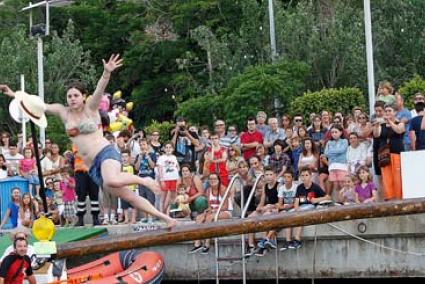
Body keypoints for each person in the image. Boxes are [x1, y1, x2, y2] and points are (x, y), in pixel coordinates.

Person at [1, 54, 176, 228]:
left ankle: (143, 180)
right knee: (128, 196)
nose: (72, 99)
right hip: (92, 167)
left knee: (112, 180)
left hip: (106, 153)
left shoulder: (91, 108)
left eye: (76, 95)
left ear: (84, 96)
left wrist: (106, 73)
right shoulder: (63, 112)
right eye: (69, 96)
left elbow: (100, 89)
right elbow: (38, 105)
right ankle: (166, 219)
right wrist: (14, 95)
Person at [292, 167, 331, 249]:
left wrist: (316, 199)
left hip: (310, 207)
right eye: (302, 175)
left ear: (310, 176)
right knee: (289, 214)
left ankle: (297, 239)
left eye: (306, 175)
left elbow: (328, 197)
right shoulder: (299, 187)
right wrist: (296, 208)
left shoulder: (315, 187)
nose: (304, 177)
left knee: (300, 214)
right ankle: (288, 241)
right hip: (301, 207)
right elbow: (296, 201)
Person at [372, 104, 405, 200]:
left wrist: (389, 121)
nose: (387, 113)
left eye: (389, 111)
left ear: (395, 112)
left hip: (396, 154)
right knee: (386, 178)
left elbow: (399, 131)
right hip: (384, 155)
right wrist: (377, 125)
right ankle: (389, 198)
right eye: (386, 111)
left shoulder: (400, 123)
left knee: (398, 178)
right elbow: (376, 134)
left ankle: (399, 198)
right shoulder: (382, 125)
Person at [246, 167, 280, 257]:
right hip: (268, 207)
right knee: (250, 217)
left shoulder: (279, 185)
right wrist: (259, 208)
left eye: (271, 175)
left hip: (277, 208)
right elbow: (262, 201)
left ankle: (263, 244)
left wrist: (270, 207)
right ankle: (251, 245)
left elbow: (281, 203)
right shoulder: (265, 186)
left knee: (266, 215)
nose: (269, 177)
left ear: (275, 176)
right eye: (267, 175)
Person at [277, 170, 298, 251]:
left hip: (293, 208)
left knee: (287, 216)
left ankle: (288, 241)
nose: (286, 179)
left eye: (288, 177)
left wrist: (288, 206)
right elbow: (280, 204)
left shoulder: (296, 187)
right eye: (285, 177)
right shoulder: (282, 188)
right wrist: (283, 207)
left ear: (292, 178)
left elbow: (296, 202)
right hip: (285, 208)